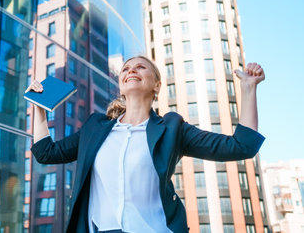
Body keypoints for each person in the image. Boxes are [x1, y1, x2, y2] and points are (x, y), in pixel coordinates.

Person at [27, 55, 265, 233]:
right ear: (121, 85)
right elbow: (46, 153)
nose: (132, 70)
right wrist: (39, 107)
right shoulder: (94, 128)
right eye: (126, 68)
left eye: (141, 67)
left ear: (157, 86)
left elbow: (242, 146)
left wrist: (249, 89)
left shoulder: (172, 129)